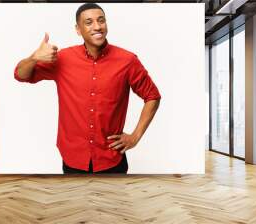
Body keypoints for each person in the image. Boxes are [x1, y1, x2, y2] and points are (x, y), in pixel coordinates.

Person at [14, 3, 161, 174]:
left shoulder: (127, 61)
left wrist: (135, 137)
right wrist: (33, 58)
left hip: (112, 160)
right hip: (73, 159)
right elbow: (20, 74)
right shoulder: (62, 59)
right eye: (89, 22)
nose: (97, 27)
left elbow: (152, 96)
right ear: (78, 29)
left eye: (101, 21)